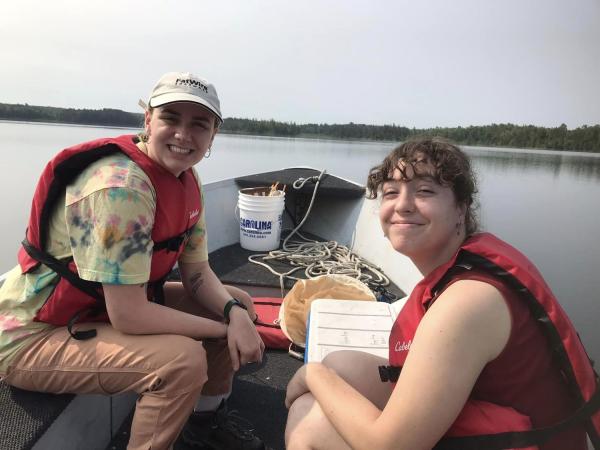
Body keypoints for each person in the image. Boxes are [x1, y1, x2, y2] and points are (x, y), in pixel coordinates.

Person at [0, 72, 268, 450]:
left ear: (213, 136)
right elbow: (129, 315)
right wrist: (227, 331)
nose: (183, 134)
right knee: (183, 360)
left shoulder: (186, 179)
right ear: (148, 121)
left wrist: (234, 313)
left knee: (237, 301)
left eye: (199, 124)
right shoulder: (120, 188)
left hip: (100, 310)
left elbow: (198, 274)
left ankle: (203, 426)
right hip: (32, 334)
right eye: (170, 118)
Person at [284, 138, 599, 450]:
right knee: (342, 366)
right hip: (502, 426)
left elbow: (388, 446)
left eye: (425, 191)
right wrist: (327, 375)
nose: (402, 205)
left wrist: (312, 374)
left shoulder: (469, 300)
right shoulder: (464, 265)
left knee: (309, 420)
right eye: (391, 192)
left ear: (461, 208)